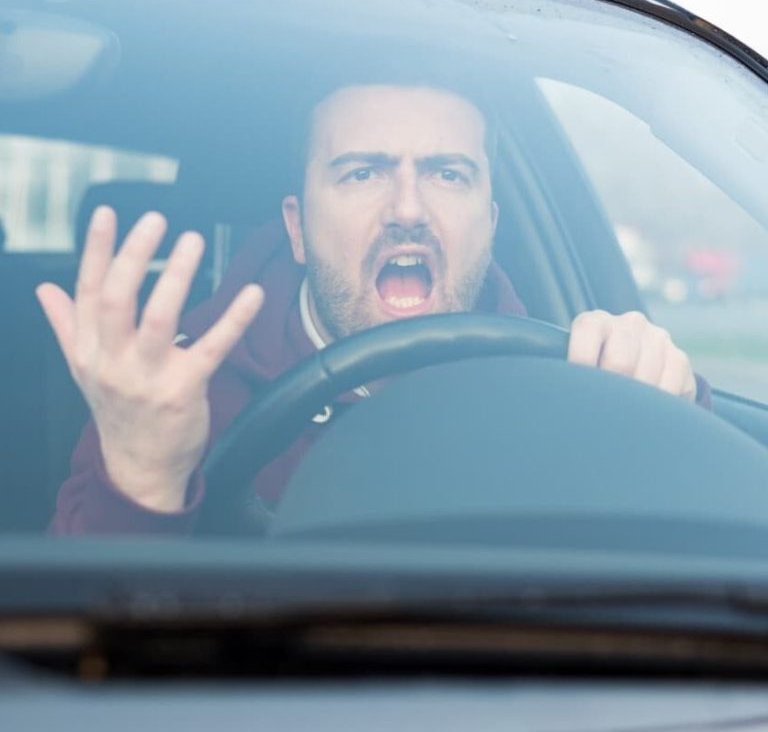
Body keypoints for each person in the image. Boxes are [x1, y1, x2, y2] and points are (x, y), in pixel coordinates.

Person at [37, 82, 707, 535]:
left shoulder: (578, 387)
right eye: (362, 173)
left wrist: (673, 407)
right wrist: (144, 477)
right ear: (297, 228)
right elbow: (91, 667)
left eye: (447, 174)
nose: (409, 210)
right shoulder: (170, 387)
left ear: (490, 221)